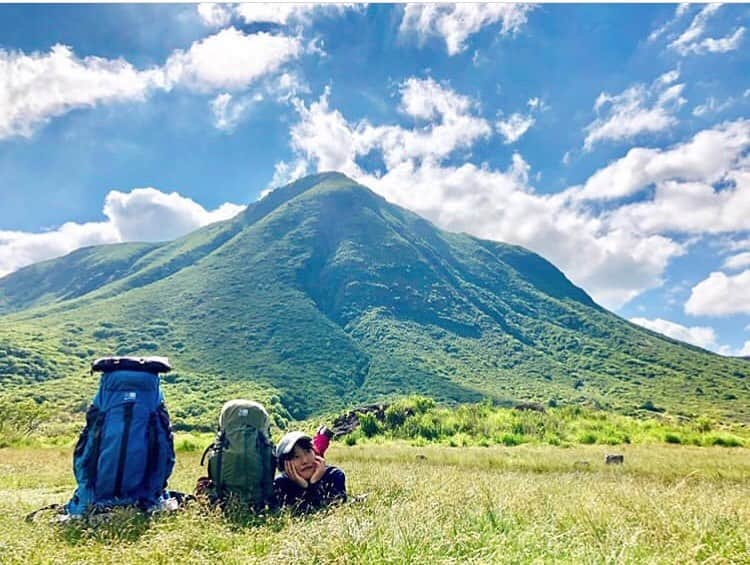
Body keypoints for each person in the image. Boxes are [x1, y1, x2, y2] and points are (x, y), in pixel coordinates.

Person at [273, 429, 346, 512]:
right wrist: (303, 486)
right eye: (296, 457)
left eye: (307, 452)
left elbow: (333, 509)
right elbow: (298, 512)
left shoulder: (334, 476)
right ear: (284, 464)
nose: (305, 460)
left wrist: (313, 483)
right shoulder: (281, 484)